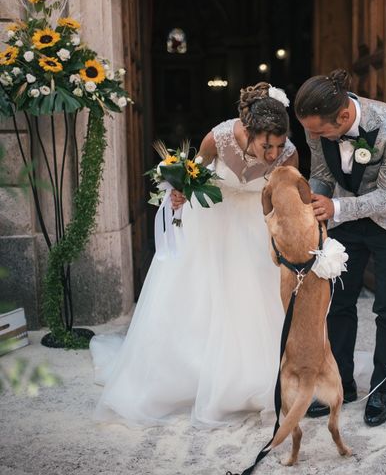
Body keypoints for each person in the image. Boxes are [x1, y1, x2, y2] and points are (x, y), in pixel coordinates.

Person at [90, 82, 298, 428]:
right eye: (267, 145)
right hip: (210, 220)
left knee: (252, 300)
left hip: (253, 225)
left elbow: (288, 193)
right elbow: (192, 176)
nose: (274, 153)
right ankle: (188, 373)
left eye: (279, 145)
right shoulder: (218, 138)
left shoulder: (289, 152)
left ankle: (248, 377)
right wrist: (179, 194)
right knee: (197, 296)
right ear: (248, 131)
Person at [294, 69, 386, 426]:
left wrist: (336, 207)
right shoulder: (315, 128)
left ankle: (382, 388)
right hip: (347, 222)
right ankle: (342, 384)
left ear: (342, 117)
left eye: (321, 131)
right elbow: (322, 171)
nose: (315, 136)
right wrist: (315, 203)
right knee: (338, 302)